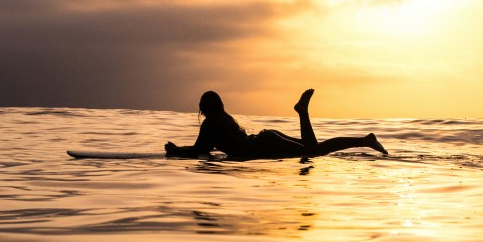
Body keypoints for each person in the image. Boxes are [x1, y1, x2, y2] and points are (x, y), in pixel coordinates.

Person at [164, 89, 388, 159]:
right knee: (317, 148)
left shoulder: (210, 125)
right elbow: (205, 150)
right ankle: (364, 140)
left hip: (262, 146)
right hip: (265, 138)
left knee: (313, 152)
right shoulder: (225, 121)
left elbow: (198, 151)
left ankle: (302, 112)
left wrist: (175, 150)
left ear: (203, 109)